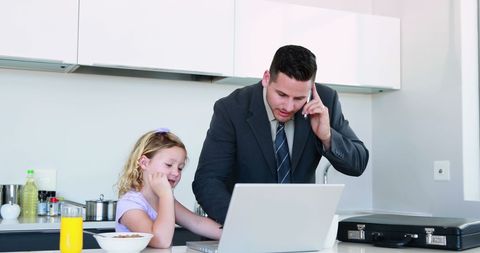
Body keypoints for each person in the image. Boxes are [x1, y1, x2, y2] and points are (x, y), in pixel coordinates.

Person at [192, 45, 369, 224]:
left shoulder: (325, 101)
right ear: (266, 78)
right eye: (281, 94)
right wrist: (241, 223)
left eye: (299, 98)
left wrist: (327, 136)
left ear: (310, 89)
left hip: (299, 227)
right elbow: (207, 181)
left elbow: (358, 163)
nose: (288, 106)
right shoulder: (232, 109)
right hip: (244, 226)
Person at [115, 129, 222, 249]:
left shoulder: (164, 199)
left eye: (180, 168)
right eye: (169, 165)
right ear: (144, 163)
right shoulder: (130, 205)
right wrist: (166, 195)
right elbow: (161, 241)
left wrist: (231, 235)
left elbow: (196, 222)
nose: (176, 173)